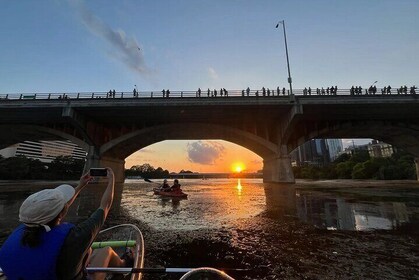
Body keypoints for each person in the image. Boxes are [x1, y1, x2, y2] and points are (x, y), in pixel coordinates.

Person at [0, 168, 131, 280]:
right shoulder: (76, 236)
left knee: (89, 251)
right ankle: (124, 264)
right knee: (105, 251)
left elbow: (57, 211)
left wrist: (80, 186)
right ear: (61, 214)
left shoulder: (22, 229)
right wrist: (112, 179)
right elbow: (105, 205)